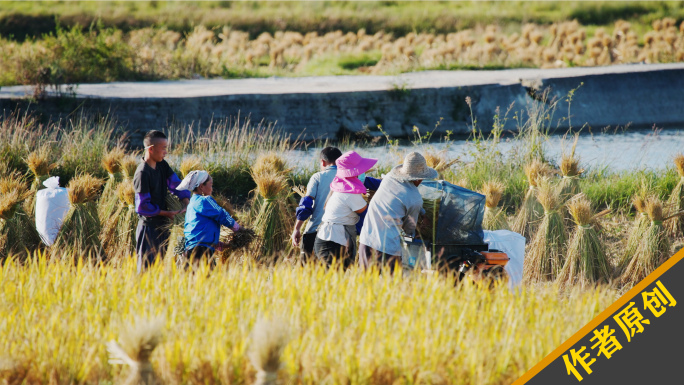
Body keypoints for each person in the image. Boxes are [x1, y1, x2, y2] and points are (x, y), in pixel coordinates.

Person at [358, 152, 437, 271]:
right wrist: (418, 231)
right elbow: (409, 229)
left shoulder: (389, 177)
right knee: (392, 286)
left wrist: (422, 212)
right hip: (388, 248)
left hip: (367, 240)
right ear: (419, 178)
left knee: (365, 285)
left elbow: (399, 198)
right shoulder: (415, 198)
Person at [133, 130, 190, 273]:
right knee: (147, 270)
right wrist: (166, 213)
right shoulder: (142, 173)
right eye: (163, 148)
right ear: (151, 149)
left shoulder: (162, 165)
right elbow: (142, 206)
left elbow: (175, 184)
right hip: (149, 228)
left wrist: (185, 199)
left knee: (159, 267)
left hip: (163, 227)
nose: (166, 152)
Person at [314, 151, 376, 267]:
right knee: (333, 281)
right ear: (355, 172)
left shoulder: (340, 186)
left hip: (328, 239)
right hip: (332, 243)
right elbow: (368, 215)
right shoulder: (350, 194)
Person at [177, 170, 241, 263]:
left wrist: (223, 245)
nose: (212, 188)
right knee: (206, 277)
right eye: (210, 185)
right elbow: (221, 214)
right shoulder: (205, 200)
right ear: (201, 186)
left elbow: (200, 234)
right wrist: (238, 228)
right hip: (201, 251)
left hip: (191, 251)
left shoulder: (191, 205)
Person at [291, 147, 342, 260]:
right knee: (334, 271)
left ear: (323, 162)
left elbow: (306, 205)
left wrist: (297, 229)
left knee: (307, 270)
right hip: (340, 234)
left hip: (316, 230)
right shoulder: (348, 177)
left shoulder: (318, 177)